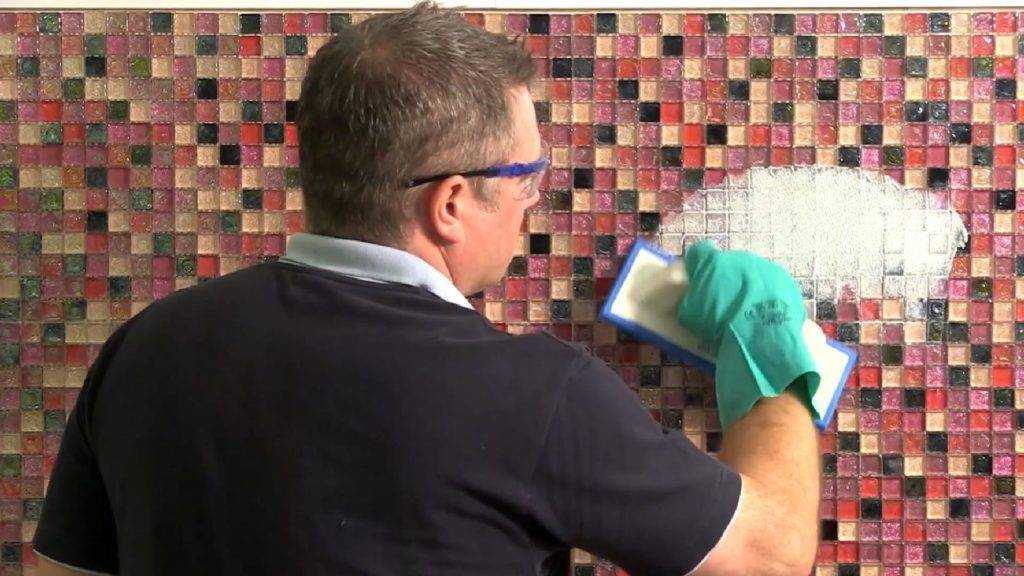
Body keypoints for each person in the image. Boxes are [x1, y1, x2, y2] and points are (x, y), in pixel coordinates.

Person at [32, 3, 821, 575]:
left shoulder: (146, 351)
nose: (533, 202)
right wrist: (770, 355)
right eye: (526, 176)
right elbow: (770, 556)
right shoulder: (532, 395)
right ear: (449, 203)